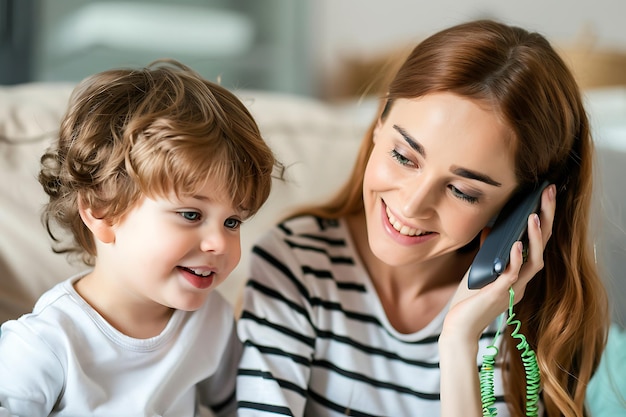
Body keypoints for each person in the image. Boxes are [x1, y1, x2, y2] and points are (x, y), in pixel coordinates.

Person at [236, 19, 611, 417]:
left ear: (524, 205)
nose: (413, 205)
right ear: (380, 122)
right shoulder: (294, 262)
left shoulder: (518, 319)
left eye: (463, 191)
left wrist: (459, 341)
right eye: (403, 156)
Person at [0, 59, 279, 417]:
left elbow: (246, 404)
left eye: (232, 222)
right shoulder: (46, 343)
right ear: (101, 211)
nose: (219, 244)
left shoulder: (212, 320)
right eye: (191, 215)